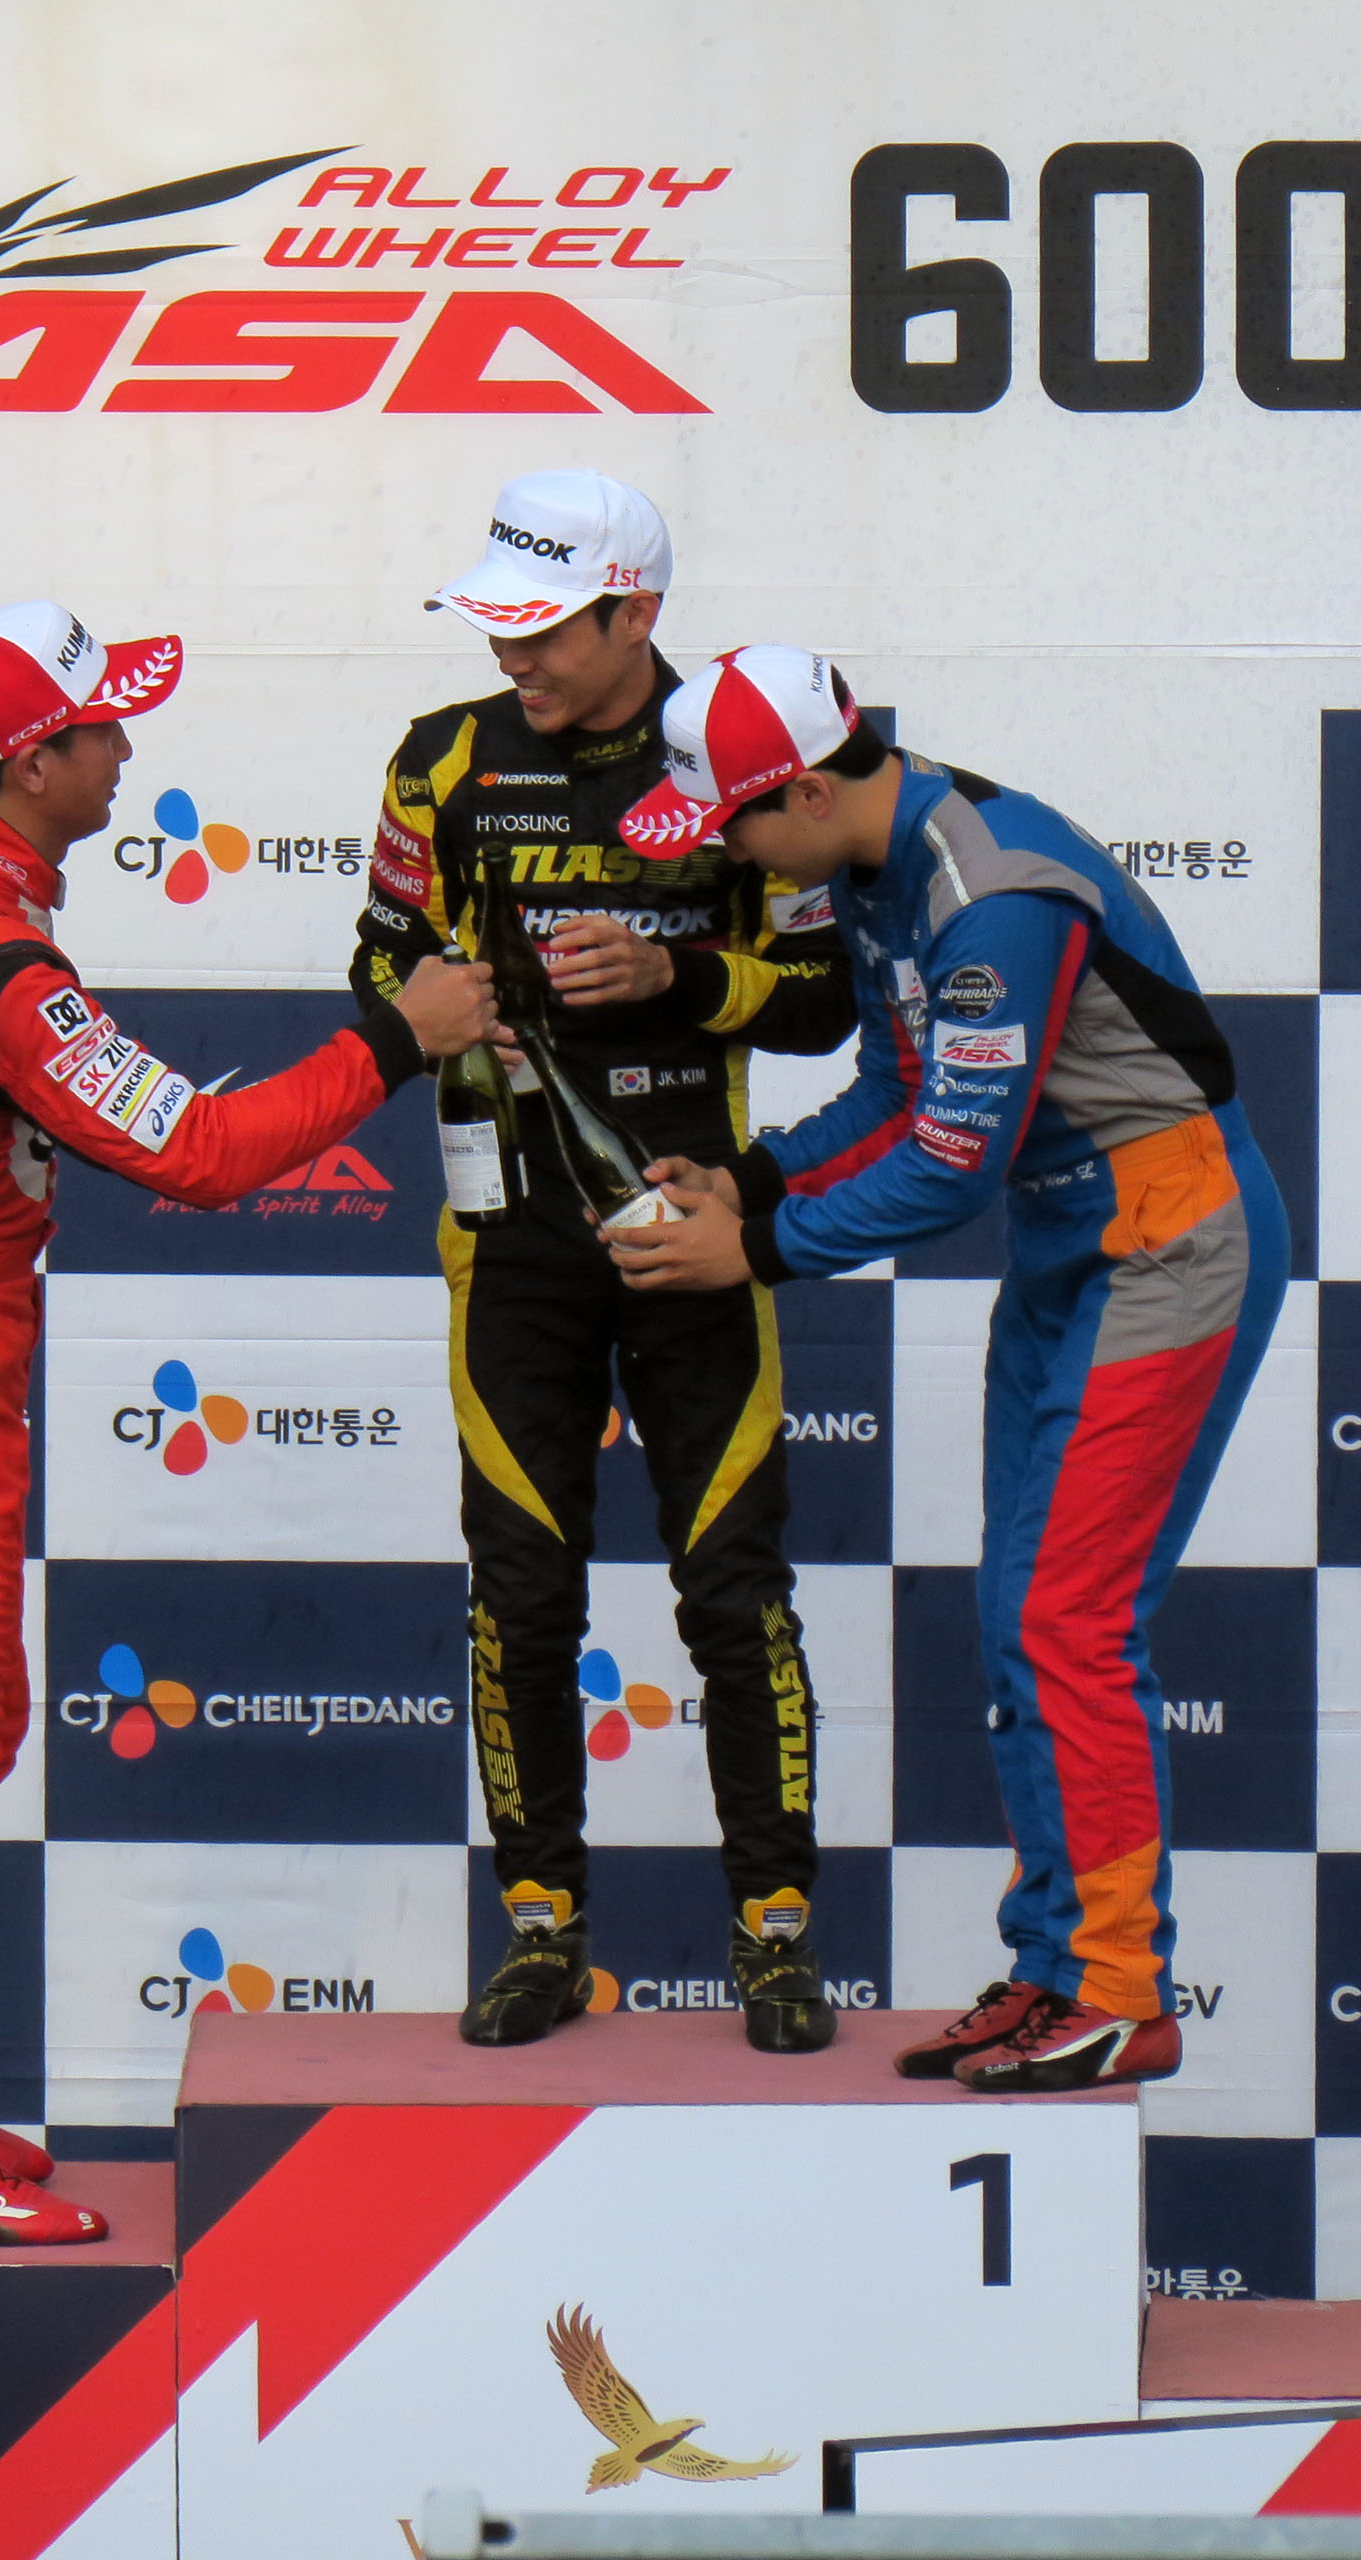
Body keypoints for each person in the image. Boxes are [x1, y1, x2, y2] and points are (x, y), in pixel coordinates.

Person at [0, 601, 504, 2241]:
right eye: (100, 727)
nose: (127, 747)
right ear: (32, 764)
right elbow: (202, 1157)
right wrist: (395, 1037)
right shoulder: (2, 973)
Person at [604, 646, 1290, 2094]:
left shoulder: (991, 896)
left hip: (1169, 1243)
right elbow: (893, 1088)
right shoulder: (876, 870)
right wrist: (749, 1179)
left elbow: (950, 1160)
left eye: (732, 827)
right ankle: (1055, 1966)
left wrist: (756, 1252)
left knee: (1068, 1620)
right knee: (1018, 1621)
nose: (728, 858)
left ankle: (1121, 1991)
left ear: (805, 790)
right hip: (1069, 1249)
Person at [351, 471, 858, 2053]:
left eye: (543, 630)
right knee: (519, 1596)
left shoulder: (733, 757)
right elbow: (378, 959)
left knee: (732, 1588)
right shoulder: (440, 760)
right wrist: (447, 1006)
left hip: (690, 1227)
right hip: (508, 1231)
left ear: (634, 614)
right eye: (495, 627)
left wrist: (672, 973)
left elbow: (824, 998)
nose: (513, 658)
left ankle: (775, 1939)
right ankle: (542, 1933)